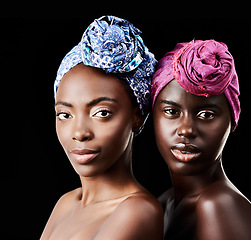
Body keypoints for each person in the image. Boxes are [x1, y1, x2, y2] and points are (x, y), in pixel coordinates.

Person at [40, 16, 163, 240]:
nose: (79, 133)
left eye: (102, 113)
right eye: (65, 114)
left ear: (137, 116)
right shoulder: (66, 204)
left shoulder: (138, 211)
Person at [151, 40, 251, 239]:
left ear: (232, 120)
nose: (186, 130)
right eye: (171, 111)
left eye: (206, 114)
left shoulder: (218, 205)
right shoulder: (166, 203)